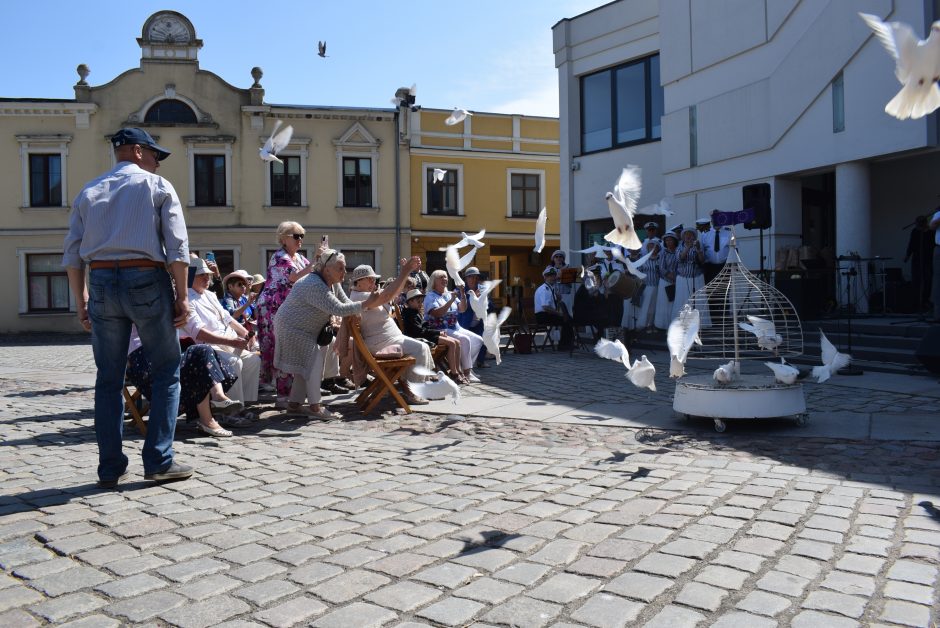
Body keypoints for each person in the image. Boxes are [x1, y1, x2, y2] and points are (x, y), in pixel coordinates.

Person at [63, 127, 193, 487]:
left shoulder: (89, 191)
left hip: (102, 279)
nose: (157, 163)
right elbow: (177, 246)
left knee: (108, 379)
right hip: (146, 278)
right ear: (137, 151)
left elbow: (72, 253)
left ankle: (109, 467)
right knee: (167, 370)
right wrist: (182, 296)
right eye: (155, 155)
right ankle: (159, 460)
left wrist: (81, 299)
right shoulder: (157, 187)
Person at [274, 249, 422, 418]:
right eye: (340, 268)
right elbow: (338, 309)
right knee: (313, 363)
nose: (345, 272)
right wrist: (366, 303)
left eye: (344, 268)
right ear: (327, 269)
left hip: (303, 328)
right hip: (292, 328)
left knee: (305, 367)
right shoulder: (313, 284)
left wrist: (365, 303)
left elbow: (344, 303)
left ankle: (294, 405)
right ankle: (315, 407)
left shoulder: (332, 282)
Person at [125, 326, 241, 438]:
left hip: (166, 353)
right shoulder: (129, 309)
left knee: (202, 352)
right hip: (144, 361)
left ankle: (217, 399)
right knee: (200, 355)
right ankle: (210, 414)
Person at [181, 258, 261, 416]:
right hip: (209, 346)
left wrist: (246, 334)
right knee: (234, 362)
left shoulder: (209, 295)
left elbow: (228, 318)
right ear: (190, 276)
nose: (207, 278)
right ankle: (229, 411)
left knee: (253, 361)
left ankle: (244, 405)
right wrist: (231, 341)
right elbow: (198, 333)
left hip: (228, 340)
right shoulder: (186, 299)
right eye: (201, 275)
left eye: (208, 275)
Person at [348, 264, 434, 405]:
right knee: (420, 349)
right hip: (380, 343)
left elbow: (392, 294)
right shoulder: (360, 297)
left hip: (387, 340)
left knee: (422, 347)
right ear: (358, 281)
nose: (373, 282)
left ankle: (414, 387)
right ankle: (412, 392)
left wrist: (405, 274)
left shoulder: (363, 295)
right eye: (369, 279)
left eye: (374, 279)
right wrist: (405, 272)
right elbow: (388, 295)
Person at [256, 222, 314, 407]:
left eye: (302, 236)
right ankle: (283, 396)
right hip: (273, 309)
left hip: (287, 308)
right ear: (283, 238)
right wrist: (317, 262)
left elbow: (311, 274)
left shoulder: (300, 258)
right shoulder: (280, 257)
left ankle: (290, 393)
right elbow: (294, 277)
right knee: (281, 349)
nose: (300, 240)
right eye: (296, 236)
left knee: (287, 349)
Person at [424, 270, 484, 382]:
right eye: (441, 277)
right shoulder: (430, 296)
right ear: (434, 281)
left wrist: (462, 294)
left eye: (446, 277)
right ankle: (466, 372)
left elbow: (462, 309)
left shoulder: (448, 294)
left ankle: (464, 367)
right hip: (440, 329)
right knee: (465, 339)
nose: (445, 279)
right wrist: (451, 301)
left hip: (455, 327)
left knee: (478, 340)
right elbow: (437, 313)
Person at [401, 288, 464, 382]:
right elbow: (418, 331)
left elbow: (425, 326)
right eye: (418, 302)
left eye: (421, 302)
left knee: (457, 342)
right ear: (410, 302)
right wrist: (437, 332)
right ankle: (454, 373)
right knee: (452, 344)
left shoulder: (415, 313)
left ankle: (458, 371)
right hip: (419, 337)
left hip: (425, 334)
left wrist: (437, 332)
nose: (421, 304)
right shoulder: (410, 314)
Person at [673, 227, 710, 326]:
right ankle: (682, 323)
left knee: (697, 301)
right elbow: (680, 259)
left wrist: (698, 250)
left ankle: (697, 323)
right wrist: (688, 247)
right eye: (686, 234)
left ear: (694, 236)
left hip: (696, 277)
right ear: (683, 237)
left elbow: (702, 261)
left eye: (691, 234)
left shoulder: (698, 246)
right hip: (683, 278)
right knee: (683, 300)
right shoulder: (679, 247)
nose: (688, 236)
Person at [534, 267, 574, 350]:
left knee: (567, 318)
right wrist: (559, 313)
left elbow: (553, 304)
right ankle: (564, 345)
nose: (552, 278)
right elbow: (545, 307)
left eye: (553, 276)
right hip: (543, 316)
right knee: (566, 320)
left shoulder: (550, 288)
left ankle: (567, 343)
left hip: (547, 314)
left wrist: (558, 298)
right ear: (545, 277)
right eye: (549, 276)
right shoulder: (544, 289)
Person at [456, 266, 488, 368]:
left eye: (476, 277)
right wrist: (474, 299)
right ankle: (464, 364)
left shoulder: (482, 289)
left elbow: (490, 306)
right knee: (466, 343)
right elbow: (461, 308)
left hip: (479, 321)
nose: (474, 280)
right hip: (465, 322)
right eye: (471, 277)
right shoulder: (460, 290)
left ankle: (480, 361)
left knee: (483, 338)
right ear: (466, 278)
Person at [904, 215, 935, 312]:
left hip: (928, 260)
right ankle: (916, 302)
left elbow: (934, 245)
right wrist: (907, 255)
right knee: (916, 280)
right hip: (917, 259)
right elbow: (911, 244)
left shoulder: (931, 232)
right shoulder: (915, 232)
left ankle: (925, 300)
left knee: (927, 280)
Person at [655, 232, 680, 329]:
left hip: (678, 280)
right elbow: (661, 268)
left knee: (675, 303)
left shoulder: (679, 251)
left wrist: (676, 277)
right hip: (665, 281)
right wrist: (670, 276)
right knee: (665, 303)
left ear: (675, 240)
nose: (669, 242)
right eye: (667, 240)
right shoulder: (663, 252)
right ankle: (664, 326)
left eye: (671, 239)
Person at [699, 214, 731, 284]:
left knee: (724, 292)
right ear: (712, 221)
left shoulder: (729, 232)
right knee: (710, 292)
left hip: (725, 267)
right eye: (715, 220)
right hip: (709, 267)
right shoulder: (705, 234)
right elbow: (701, 251)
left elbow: (735, 250)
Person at [931, 207, 940, 322]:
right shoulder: (938, 213)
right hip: (939, 249)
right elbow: (932, 226)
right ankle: (938, 315)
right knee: (938, 281)